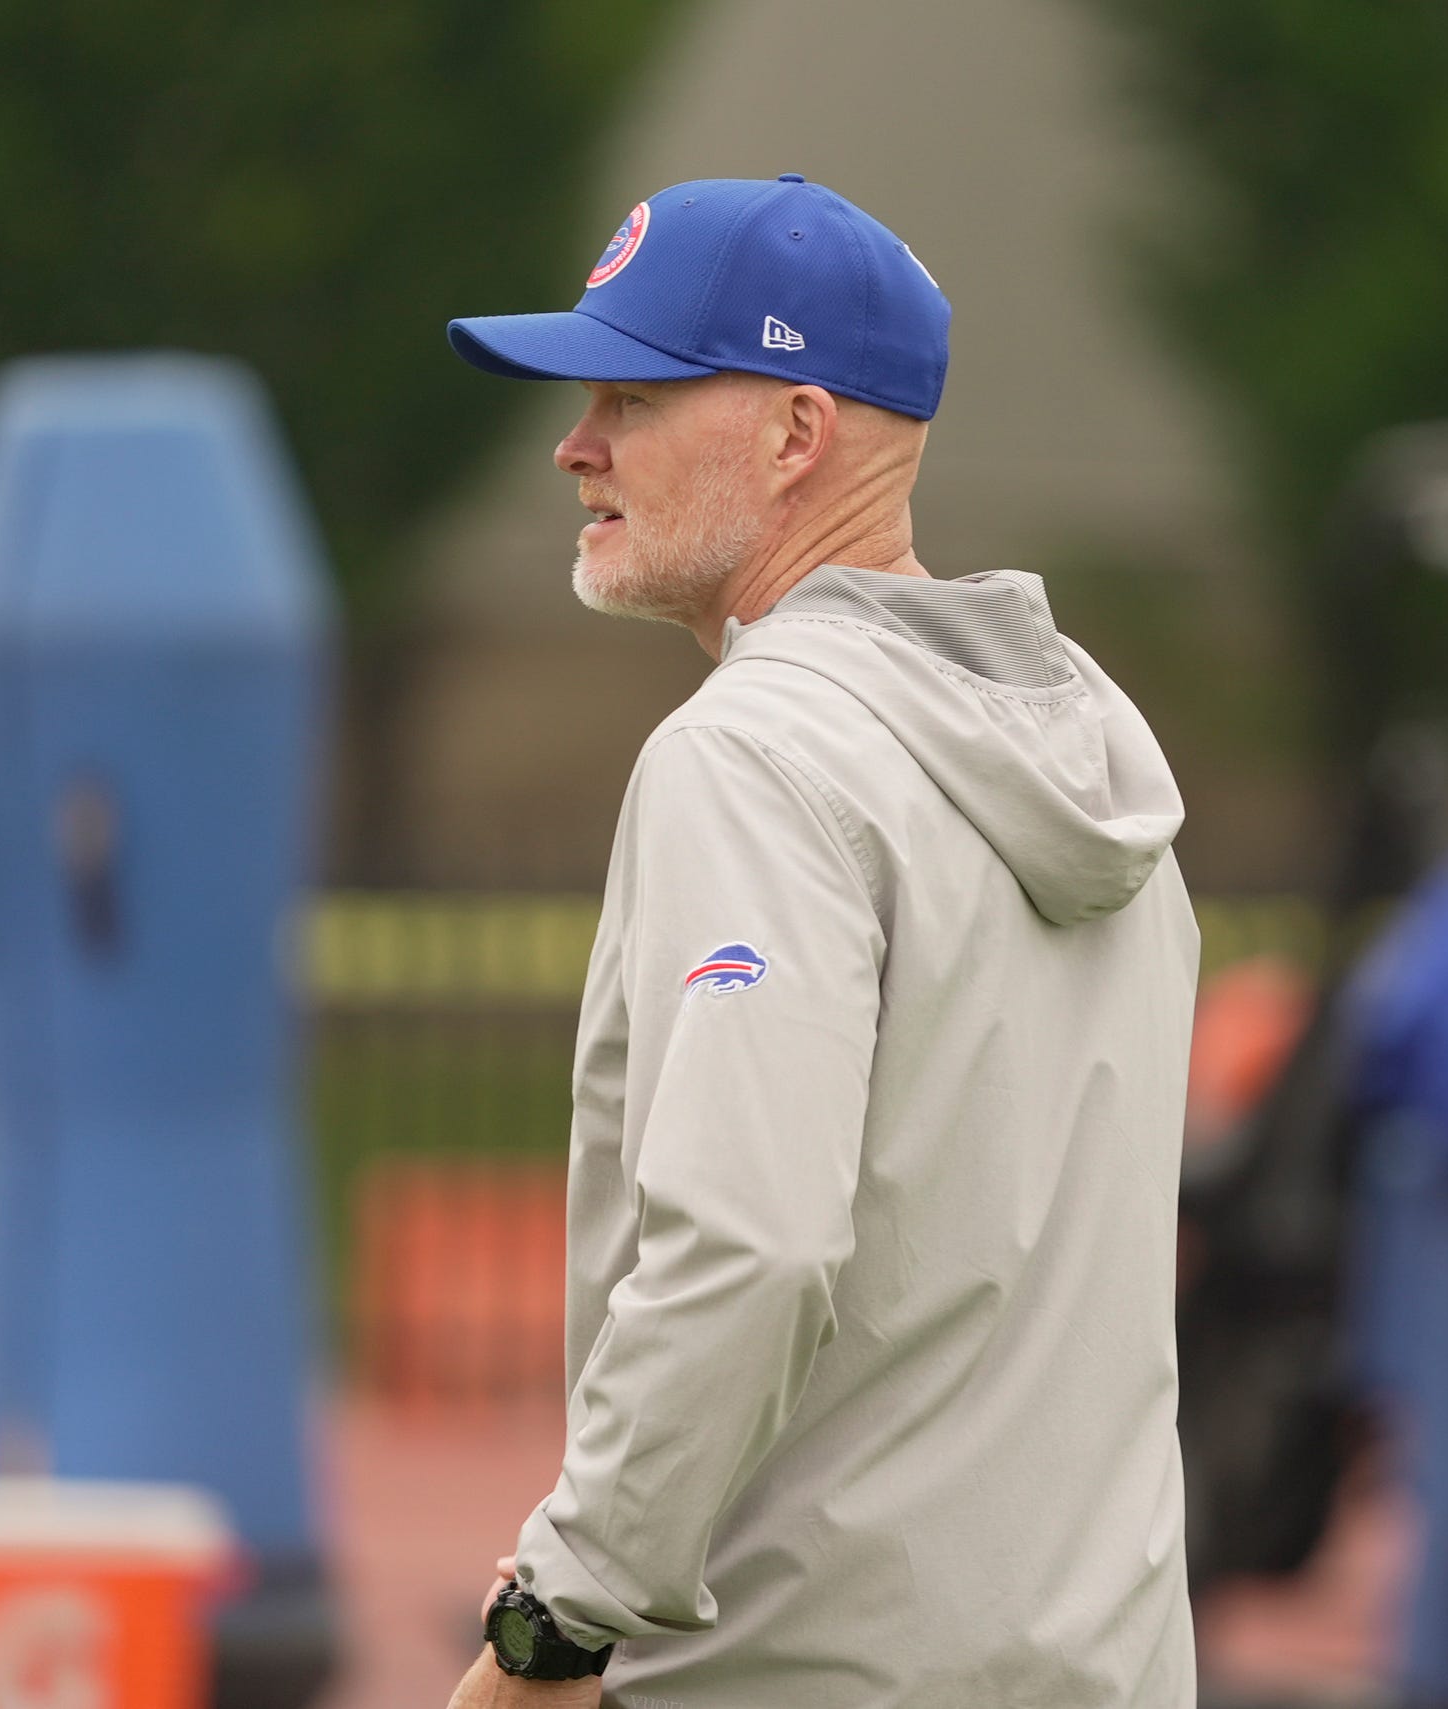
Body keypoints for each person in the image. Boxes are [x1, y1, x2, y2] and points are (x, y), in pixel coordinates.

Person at [440, 177, 1200, 1708]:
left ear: (796, 433)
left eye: (634, 393)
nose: (575, 444)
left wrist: (559, 1619)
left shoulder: (756, 756)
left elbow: (750, 1243)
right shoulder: (1099, 757)